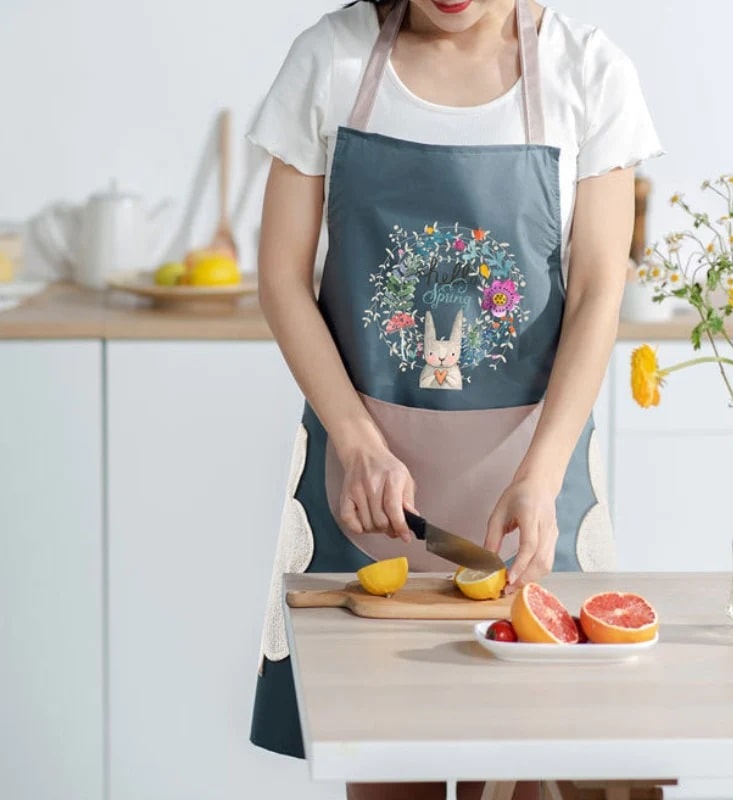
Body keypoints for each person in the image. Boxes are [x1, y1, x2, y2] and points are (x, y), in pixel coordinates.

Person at [247, 0, 662, 797]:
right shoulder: (330, 61)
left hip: (531, 500)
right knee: (385, 773)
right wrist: (356, 439)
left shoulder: (588, 72)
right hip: (366, 500)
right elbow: (280, 277)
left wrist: (541, 475)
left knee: (533, 770)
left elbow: (599, 289)